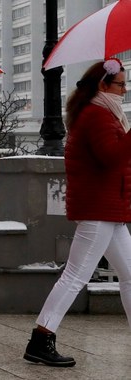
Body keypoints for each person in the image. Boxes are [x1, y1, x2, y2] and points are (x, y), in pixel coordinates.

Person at [24, 58, 131, 367]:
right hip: (99, 209)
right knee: (75, 276)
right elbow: (111, 157)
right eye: (121, 84)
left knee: (129, 276)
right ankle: (41, 339)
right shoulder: (97, 116)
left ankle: (40, 339)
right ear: (103, 85)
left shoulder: (102, 113)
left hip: (108, 208)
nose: (124, 90)